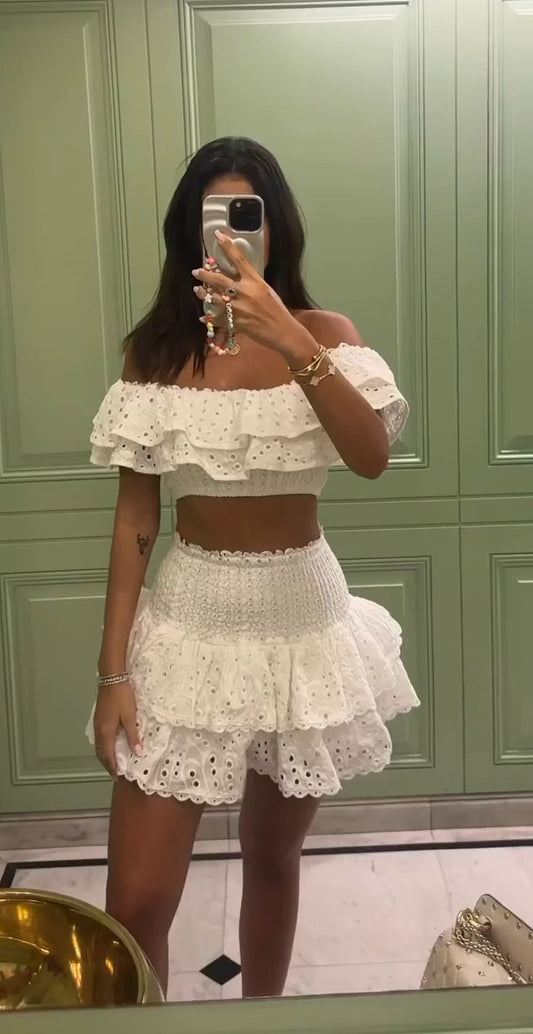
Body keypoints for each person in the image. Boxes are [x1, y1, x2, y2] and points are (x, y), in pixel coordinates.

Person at [88, 136, 419, 998]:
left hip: (303, 626)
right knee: (136, 900)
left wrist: (288, 337)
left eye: (249, 214)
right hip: (188, 629)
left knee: (272, 855)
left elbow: (370, 457)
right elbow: (134, 518)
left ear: (277, 228)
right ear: (187, 233)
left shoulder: (326, 336)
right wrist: (112, 672)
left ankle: (263, 1016)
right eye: (216, 217)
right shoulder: (155, 354)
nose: (233, 233)